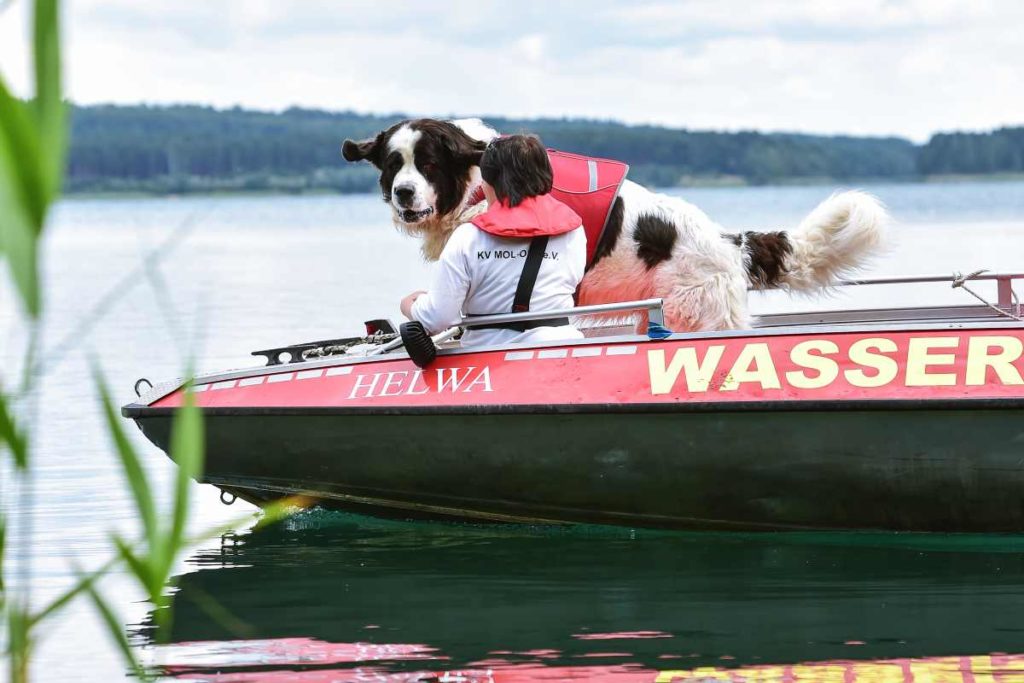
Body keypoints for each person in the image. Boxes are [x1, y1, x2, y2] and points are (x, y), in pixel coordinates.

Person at [400, 134, 586, 348]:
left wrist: (410, 306)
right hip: (565, 348)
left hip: (490, 357)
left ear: (489, 184)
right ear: (545, 176)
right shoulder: (574, 230)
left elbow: (436, 319)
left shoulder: (468, 237)